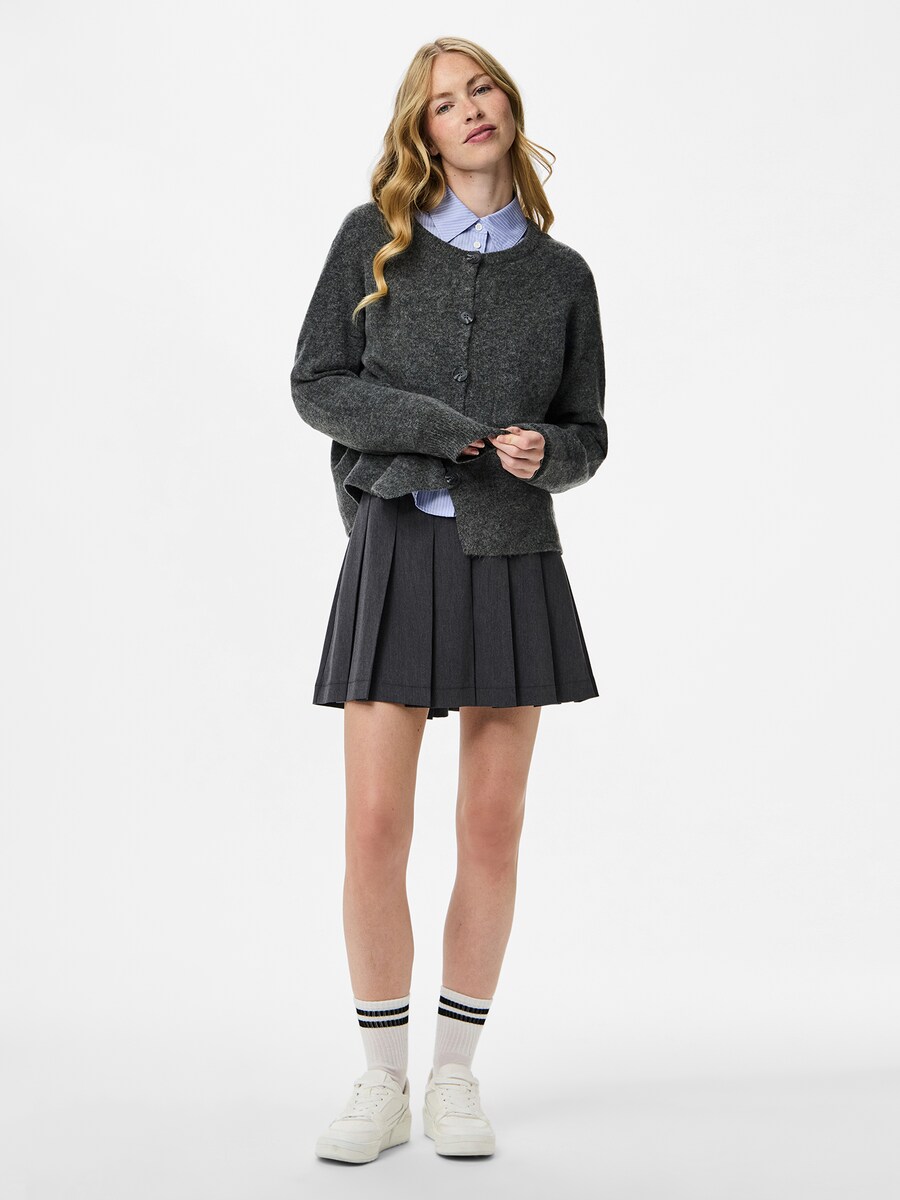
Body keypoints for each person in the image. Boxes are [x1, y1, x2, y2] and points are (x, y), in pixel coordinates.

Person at [290, 36, 608, 1163]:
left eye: (481, 90)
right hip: (394, 544)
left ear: (508, 106)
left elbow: (588, 431)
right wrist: (441, 429)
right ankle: (381, 1080)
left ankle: (456, 1076)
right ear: (420, 131)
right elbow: (316, 383)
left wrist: (546, 455)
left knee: (490, 825)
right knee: (375, 826)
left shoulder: (562, 277)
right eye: (443, 103)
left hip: (511, 553)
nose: (469, 110)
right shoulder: (371, 239)